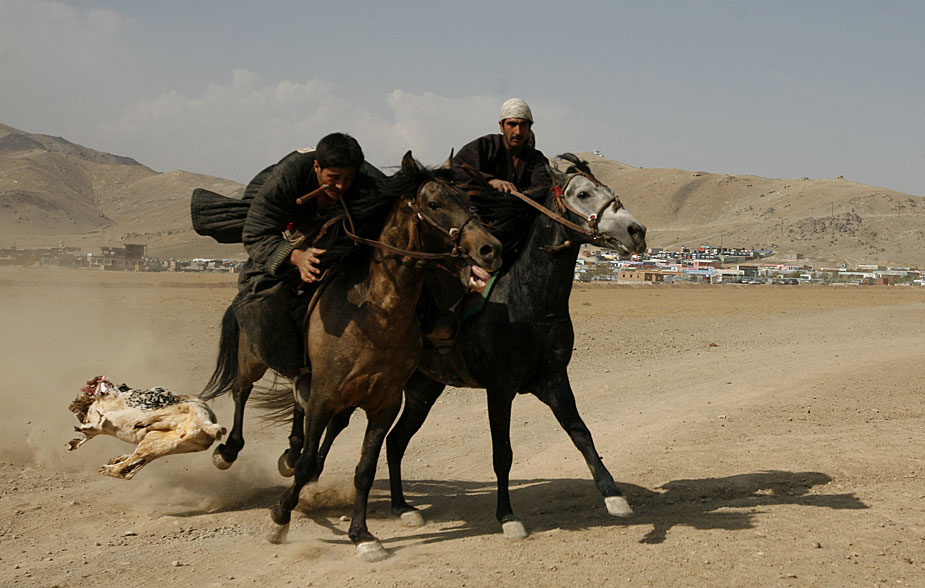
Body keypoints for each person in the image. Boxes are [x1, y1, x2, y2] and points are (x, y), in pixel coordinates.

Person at [232, 132, 384, 375]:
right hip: (285, 248)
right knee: (261, 305)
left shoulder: (368, 179)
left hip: (338, 253)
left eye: (348, 178)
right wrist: (296, 257)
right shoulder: (287, 176)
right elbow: (255, 232)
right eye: (333, 178)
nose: (341, 186)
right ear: (316, 167)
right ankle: (295, 371)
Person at [452, 97, 551, 196]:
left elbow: (543, 186)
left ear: (529, 128)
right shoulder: (485, 146)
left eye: (523, 125)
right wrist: (490, 180)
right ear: (501, 126)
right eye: (512, 124)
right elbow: (454, 170)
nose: (518, 132)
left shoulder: (537, 159)